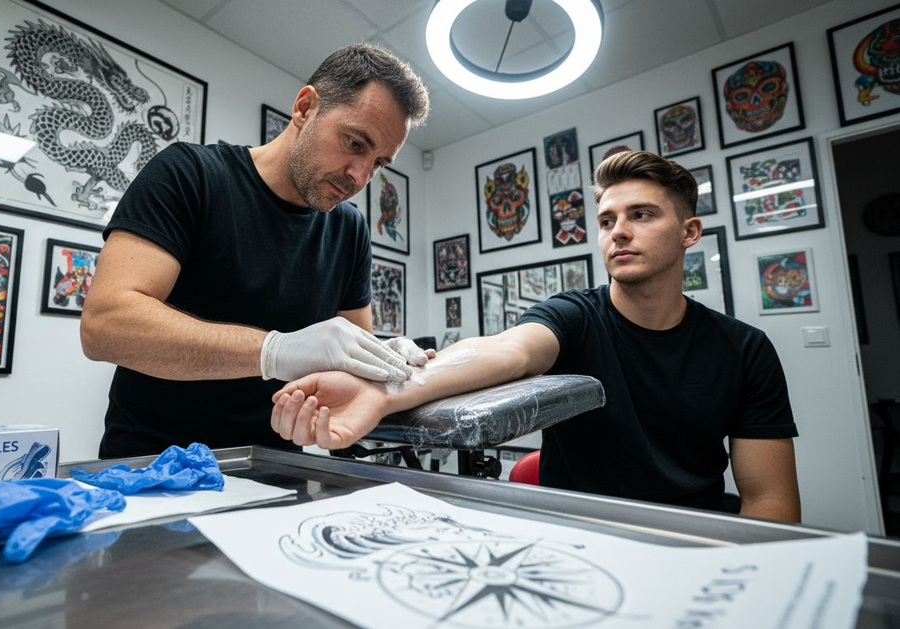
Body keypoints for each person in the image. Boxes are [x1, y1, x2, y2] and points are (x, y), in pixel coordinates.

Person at [270, 150, 801, 522]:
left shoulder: (745, 349)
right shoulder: (574, 316)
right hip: (571, 534)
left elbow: (770, 499)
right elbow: (508, 350)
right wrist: (382, 391)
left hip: (687, 537)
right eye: (607, 218)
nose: (618, 230)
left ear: (689, 232)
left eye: (641, 215)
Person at [81, 44, 432, 458]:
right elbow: (105, 326)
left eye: (378, 163)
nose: (359, 176)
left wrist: (382, 363)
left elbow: (351, 355)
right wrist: (274, 351)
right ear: (305, 108)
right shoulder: (190, 175)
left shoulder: (349, 229)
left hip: (275, 467)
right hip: (153, 463)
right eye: (355, 143)